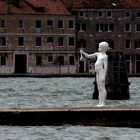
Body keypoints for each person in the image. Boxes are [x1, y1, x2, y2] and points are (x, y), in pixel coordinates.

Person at [80, 41, 109, 107]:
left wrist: (104, 76)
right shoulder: (97, 54)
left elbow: (106, 67)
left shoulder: (105, 56)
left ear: (103, 48)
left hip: (101, 71)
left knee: (102, 87)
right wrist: (83, 53)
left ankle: (103, 103)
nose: (98, 48)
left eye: (99, 47)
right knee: (99, 88)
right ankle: (100, 102)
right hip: (97, 72)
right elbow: (89, 56)